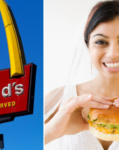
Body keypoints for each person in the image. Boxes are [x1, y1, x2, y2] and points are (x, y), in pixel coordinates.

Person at [44, 0, 119, 150]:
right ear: (87, 46)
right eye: (100, 41)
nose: (113, 53)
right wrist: (51, 132)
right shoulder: (61, 99)